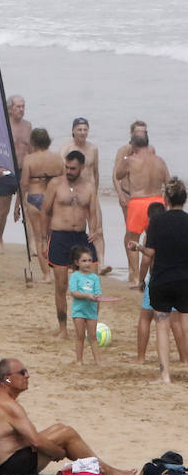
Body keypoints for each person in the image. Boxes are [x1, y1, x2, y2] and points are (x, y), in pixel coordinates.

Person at [0, 357, 137, 475]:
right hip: (12, 467)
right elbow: (36, 441)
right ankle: (108, 472)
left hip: (7, 464)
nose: (27, 375)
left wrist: (53, 448)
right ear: (7, 379)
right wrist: (58, 453)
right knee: (67, 434)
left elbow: (29, 439)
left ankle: (103, 469)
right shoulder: (8, 405)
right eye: (22, 372)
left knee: (59, 428)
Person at [40, 150, 101, 338]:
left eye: (73, 168)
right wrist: (43, 240)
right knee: (61, 285)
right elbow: (45, 211)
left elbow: (93, 213)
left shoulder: (89, 187)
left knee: (92, 281)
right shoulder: (55, 184)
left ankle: (90, 327)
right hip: (59, 236)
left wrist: (94, 229)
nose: (68, 171)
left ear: (81, 167)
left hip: (81, 237)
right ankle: (63, 329)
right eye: (66, 167)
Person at [137, 178, 188, 383]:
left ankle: (165, 375)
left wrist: (138, 248)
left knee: (162, 326)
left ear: (165, 198)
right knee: (185, 323)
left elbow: (150, 253)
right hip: (185, 279)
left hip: (161, 279)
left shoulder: (157, 222)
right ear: (185, 199)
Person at [116, 128, 169, 287]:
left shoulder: (130, 160)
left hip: (138, 202)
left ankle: (136, 277)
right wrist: (166, 203)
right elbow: (169, 183)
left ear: (133, 145)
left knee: (133, 239)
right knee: (155, 240)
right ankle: (155, 275)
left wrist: (126, 156)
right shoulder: (159, 161)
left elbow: (118, 175)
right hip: (158, 202)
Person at [20, 129, 63, 283]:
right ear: (48, 140)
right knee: (53, 237)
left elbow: (24, 184)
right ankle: (58, 271)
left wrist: (18, 204)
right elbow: (64, 180)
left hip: (34, 197)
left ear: (32, 142)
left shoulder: (29, 159)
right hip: (52, 198)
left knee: (39, 238)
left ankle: (46, 275)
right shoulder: (57, 158)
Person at [0, 94, 32, 252]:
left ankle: (31, 243)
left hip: (24, 170)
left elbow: (30, 150)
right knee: (4, 209)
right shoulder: (2, 126)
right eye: (18, 106)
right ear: (10, 109)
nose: (21, 109)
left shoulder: (28, 126)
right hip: (6, 170)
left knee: (28, 207)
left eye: (23, 106)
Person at [67, 246, 107, 365]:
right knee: (80, 336)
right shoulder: (75, 276)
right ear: (77, 262)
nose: (87, 263)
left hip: (91, 312)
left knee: (93, 337)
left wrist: (96, 300)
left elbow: (98, 294)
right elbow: (73, 292)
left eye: (89, 260)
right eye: (84, 261)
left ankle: (97, 360)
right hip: (78, 311)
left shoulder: (95, 278)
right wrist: (87, 295)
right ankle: (79, 360)